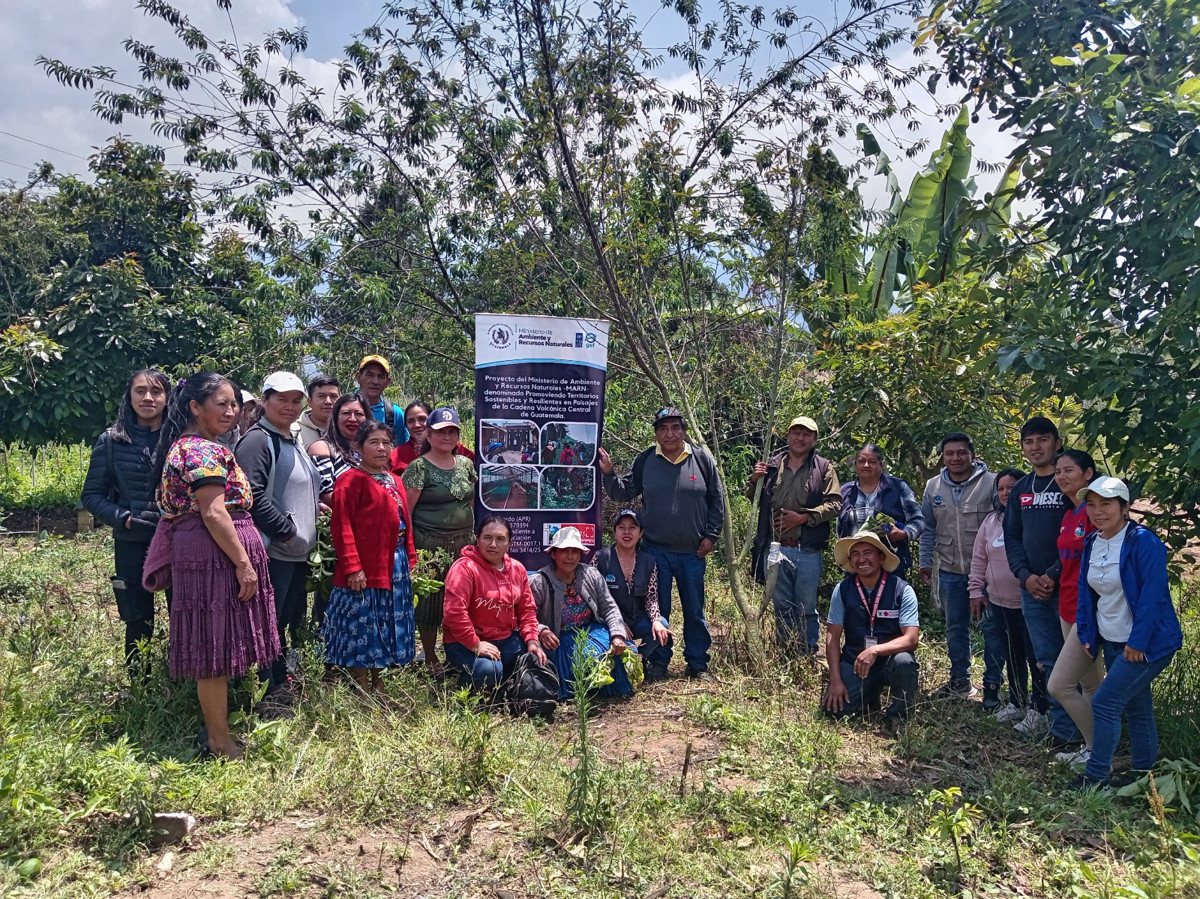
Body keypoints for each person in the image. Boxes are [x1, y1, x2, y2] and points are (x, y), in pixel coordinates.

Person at [143, 372, 279, 759]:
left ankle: (222, 734)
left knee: (215, 646)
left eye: (234, 403)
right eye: (221, 403)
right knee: (213, 648)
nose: (231, 410)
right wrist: (243, 563)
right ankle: (219, 741)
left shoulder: (202, 445)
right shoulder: (201, 450)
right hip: (212, 555)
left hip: (212, 552)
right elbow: (215, 512)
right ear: (195, 407)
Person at [599, 406, 724, 682]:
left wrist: (711, 536)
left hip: (692, 551)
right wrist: (608, 473)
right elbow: (624, 492)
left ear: (684, 431)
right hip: (655, 551)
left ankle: (698, 663)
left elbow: (717, 500)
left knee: (695, 609)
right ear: (656, 433)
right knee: (658, 608)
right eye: (663, 428)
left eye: (676, 427)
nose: (670, 434)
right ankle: (659, 662)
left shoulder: (701, 459)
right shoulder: (646, 460)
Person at [1072, 477, 1183, 789]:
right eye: (1091, 504)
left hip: (1146, 643)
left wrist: (1138, 643)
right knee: (1137, 706)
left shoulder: (1142, 541)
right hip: (1112, 638)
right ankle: (1142, 775)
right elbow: (1086, 593)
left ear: (1125, 507)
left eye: (1106, 504)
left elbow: (1154, 596)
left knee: (1105, 703)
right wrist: (1087, 634)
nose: (1098, 511)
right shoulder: (1093, 542)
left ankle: (1095, 778)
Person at [235, 371, 322, 714]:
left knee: (286, 619)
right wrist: (286, 531)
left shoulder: (290, 439)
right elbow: (251, 494)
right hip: (274, 551)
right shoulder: (259, 440)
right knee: (269, 622)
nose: (289, 406)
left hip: (296, 553)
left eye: (295, 400)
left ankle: (281, 682)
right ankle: (267, 692)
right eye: (281, 399)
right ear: (265, 401)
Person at [81, 368, 172, 678]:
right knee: (137, 618)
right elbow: (92, 495)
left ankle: (183, 679)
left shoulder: (180, 439)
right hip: (133, 542)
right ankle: (140, 684)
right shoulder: (111, 440)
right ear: (129, 396)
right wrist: (124, 518)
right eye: (141, 391)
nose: (148, 397)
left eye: (156, 391)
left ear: (167, 397)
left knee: (183, 615)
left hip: (177, 541)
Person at [323, 420, 417, 691]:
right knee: (365, 626)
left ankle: (379, 682)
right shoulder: (350, 481)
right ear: (358, 447)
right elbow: (341, 526)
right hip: (366, 567)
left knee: (387, 622)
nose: (381, 448)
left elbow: (405, 523)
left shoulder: (395, 480)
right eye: (373, 443)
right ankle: (362, 686)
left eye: (386, 443)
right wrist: (353, 567)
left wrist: (411, 559)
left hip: (395, 563)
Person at [1004, 417, 1078, 751]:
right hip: (1032, 589)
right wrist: (1026, 576)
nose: (1036, 447)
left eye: (1042, 440)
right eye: (1029, 441)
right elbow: (1012, 537)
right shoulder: (1021, 488)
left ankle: (1086, 730)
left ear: (1057, 443)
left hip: (1068, 587)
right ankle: (1062, 730)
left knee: (1076, 660)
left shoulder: (1069, 485)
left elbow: (1081, 534)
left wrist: (1052, 573)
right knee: (1047, 659)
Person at [747, 416, 843, 656]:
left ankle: (808, 651)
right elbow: (754, 499)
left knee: (806, 607)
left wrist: (802, 518)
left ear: (814, 439)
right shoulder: (772, 465)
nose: (800, 438)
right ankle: (786, 650)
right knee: (781, 605)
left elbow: (835, 504)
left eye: (806, 434)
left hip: (807, 550)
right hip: (776, 547)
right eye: (796, 433)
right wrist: (754, 480)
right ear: (788, 436)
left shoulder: (823, 468)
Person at [918, 431, 998, 698]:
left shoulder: (992, 484)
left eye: (961, 452)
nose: (956, 458)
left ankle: (993, 686)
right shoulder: (933, 487)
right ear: (943, 457)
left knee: (993, 629)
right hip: (950, 570)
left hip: (989, 574)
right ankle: (960, 681)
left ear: (973, 455)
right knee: (954, 627)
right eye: (949, 453)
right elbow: (928, 528)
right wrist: (925, 562)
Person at [402, 407, 478, 677]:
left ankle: (456, 653)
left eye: (452, 431)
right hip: (429, 544)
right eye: (440, 431)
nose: (447, 436)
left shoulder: (466, 464)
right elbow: (405, 513)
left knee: (461, 599)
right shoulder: (418, 468)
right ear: (429, 435)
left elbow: (470, 501)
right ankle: (431, 657)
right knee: (431, 601)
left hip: (463, 543)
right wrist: (410, 549)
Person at [968, 467, 1047, 720]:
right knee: (1013, 654)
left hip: (1030, 601)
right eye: (1001, 488)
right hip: (999, 602)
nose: (1005, 493)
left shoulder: (1033, 521)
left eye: (1011, 488)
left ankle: (1039, 707)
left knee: (1035, 656)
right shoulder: (991, 522)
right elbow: (979, 559)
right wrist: (975, 591)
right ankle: (1016, 701)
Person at [822, 528, 920, 733]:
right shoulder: (843, 589)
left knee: (905, 662)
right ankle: (869, 696)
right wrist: (835, 680)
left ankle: (897, 716)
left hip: (888, 661)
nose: (861, 559)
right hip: (855, 662)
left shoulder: (902, 590)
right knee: (834, 711)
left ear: (881, 557)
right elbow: (832, 637)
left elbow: (911, 639)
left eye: (868, 553)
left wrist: (875, 650)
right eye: (855, 554)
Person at [1046, 450, 1105, 766]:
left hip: (1088, 610)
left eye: (1069, 470)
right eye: (1058, 472)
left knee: (1059, 685)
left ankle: (1099, 750)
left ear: (1088, 474)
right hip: (1066, 605)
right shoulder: (1069, 515)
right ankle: (1094, 748)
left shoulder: (1093, 514)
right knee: (1091, 684)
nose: (1062, 476)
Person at [442, 516, 547, 689]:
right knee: (488, 670)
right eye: (487, 538)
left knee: (541, 651)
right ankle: (465, 692)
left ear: (509, 543)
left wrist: (532, 640)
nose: (493, 544)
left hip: (504, 639)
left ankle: (501, 685)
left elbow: (526, 609)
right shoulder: (464, 568)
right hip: (463, 642)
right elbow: (454, 613)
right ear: (477, 539)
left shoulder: (517, 569)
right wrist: (475, 644)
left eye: (500, 539)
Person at [531, 526, 632, 698]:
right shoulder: (539, 582)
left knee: (613, 652)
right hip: (558, 637)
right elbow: (525, 616)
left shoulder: (591, 575)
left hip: (589, 631)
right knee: (575, 664)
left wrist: (617, 635)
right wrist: (542, 630)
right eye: (564, 551)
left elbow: (609, 607)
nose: (570, 557)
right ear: (553, 554)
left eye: (575, 552)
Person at [592, 510, 673, 682]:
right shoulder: (600, 558)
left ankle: (639, 659)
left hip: (637, 619)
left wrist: (656, 620)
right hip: (608, 622)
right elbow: (593, 598)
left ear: (641, 533)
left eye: (632, 528)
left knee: (662, 625)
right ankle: (620, 665)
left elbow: (651, 597)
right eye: (622, 527)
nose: (627, 532)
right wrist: (617, 623)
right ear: (614, 531)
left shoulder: (649, 561)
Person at [836, 443, 924, 581]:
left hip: (891, 564)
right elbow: (840, 529)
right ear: (855, 465)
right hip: (856, 566)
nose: (866, 465)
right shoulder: (845, 491)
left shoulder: (898, 487)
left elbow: (919, 520)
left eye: (871, 462)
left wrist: (904, 533)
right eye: (861, 461)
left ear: (881, 465)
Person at [309, 393, 372, 502]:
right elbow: (325, 494)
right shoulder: (323, 448)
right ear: (335, 417)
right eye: (346, 413)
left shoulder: (372, 450)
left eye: (359, 414)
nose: (352, 419)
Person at [388, 401, 474, 475]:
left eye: (422, 419)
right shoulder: (396, 455)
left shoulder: (453, 447)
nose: (417, 425)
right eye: (411, 421)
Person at [354, 354, 407, 445]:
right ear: (359, 377)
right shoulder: (343, 407)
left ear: (387, 382)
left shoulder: (394, 413)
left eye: (381, 376)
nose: (375, 381)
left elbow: (403, 450)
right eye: (369, 375)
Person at [295, 375, 340, 450]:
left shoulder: (347, 430)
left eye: (333, 396)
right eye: (321, 396)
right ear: (309, 401)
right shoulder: (293, 432)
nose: (328, 402)